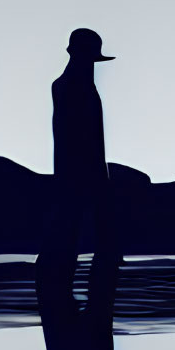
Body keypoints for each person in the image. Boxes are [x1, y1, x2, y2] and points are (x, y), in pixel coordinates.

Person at [48, 27, 115, 255]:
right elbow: (80, 136)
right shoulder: (71, 88)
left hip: (80, 171)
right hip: (78, 172)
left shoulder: (73, 86)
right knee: (71, 229)